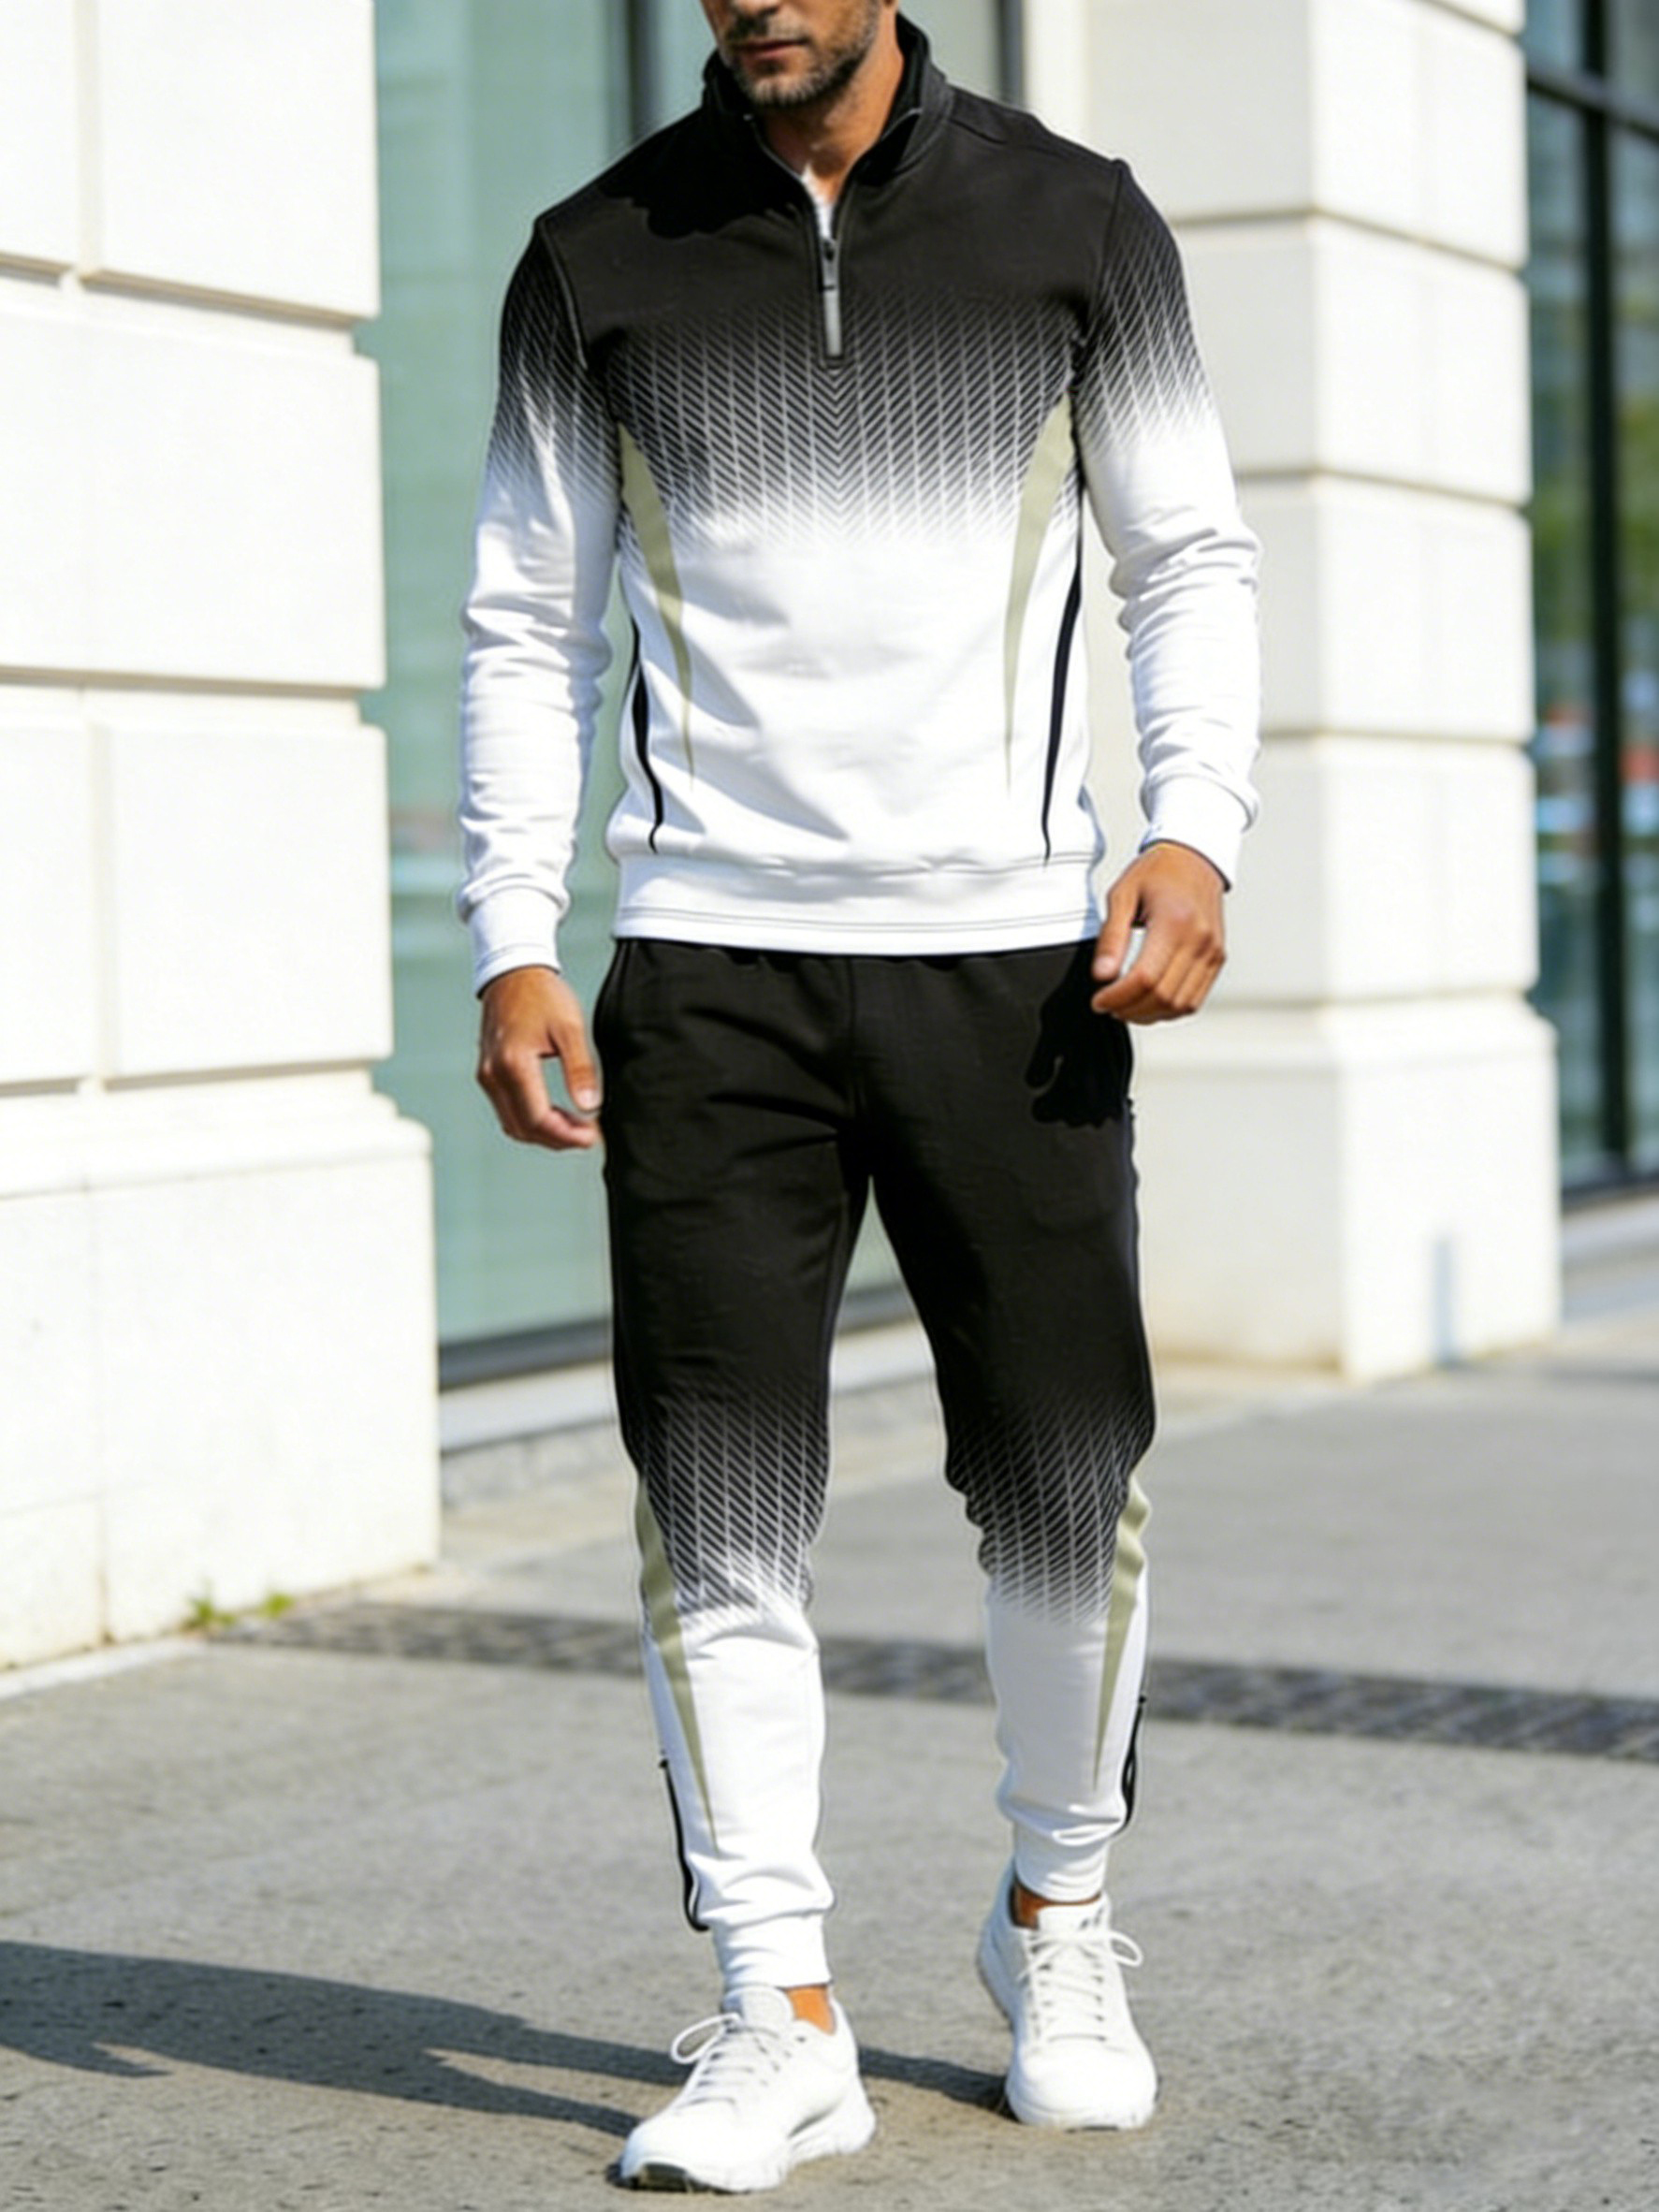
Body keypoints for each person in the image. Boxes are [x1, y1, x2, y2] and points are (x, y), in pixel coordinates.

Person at [460, 1, 1259, 2192]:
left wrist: (1192, 832)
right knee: (714, 1499)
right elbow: (527, 619)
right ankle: (774, 2010)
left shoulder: (1073, 224)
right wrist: (512, 932)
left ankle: (1056, 1919)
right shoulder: (592, 255)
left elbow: (1185, 557)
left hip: (1008, 962)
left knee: (1062, 1480)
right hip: (708, 965)